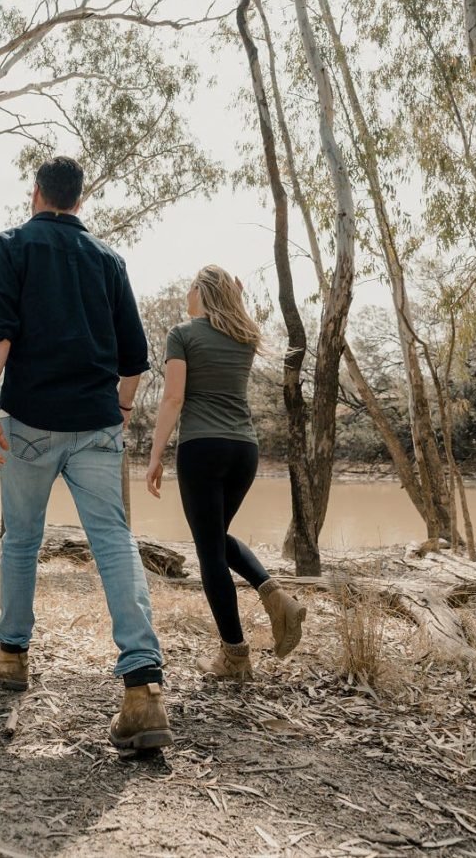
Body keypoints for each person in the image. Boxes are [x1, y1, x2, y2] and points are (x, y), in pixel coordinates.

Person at [0, 156, 172, 752]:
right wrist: (122, 414)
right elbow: (134, 360)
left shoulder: (10, 247)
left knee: (22, 540)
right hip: (96, 424)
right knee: (113, 540)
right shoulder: (109, 260)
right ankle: (142, 688)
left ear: (36, 194)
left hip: (30, 420)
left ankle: (12, 656)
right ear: (79, 202)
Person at [144, 265, 305, 677]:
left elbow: (174, 399)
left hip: (203, 448)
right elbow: (235, 315)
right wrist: (236, 293)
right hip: (244, 451)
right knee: (214, 537)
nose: (186, 291)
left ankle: (235, 656)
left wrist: (155, 455)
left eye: (190, 284)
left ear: (202, 290)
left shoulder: (182, 334)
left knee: (209, 551)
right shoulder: (244, 337)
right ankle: (276, 598)